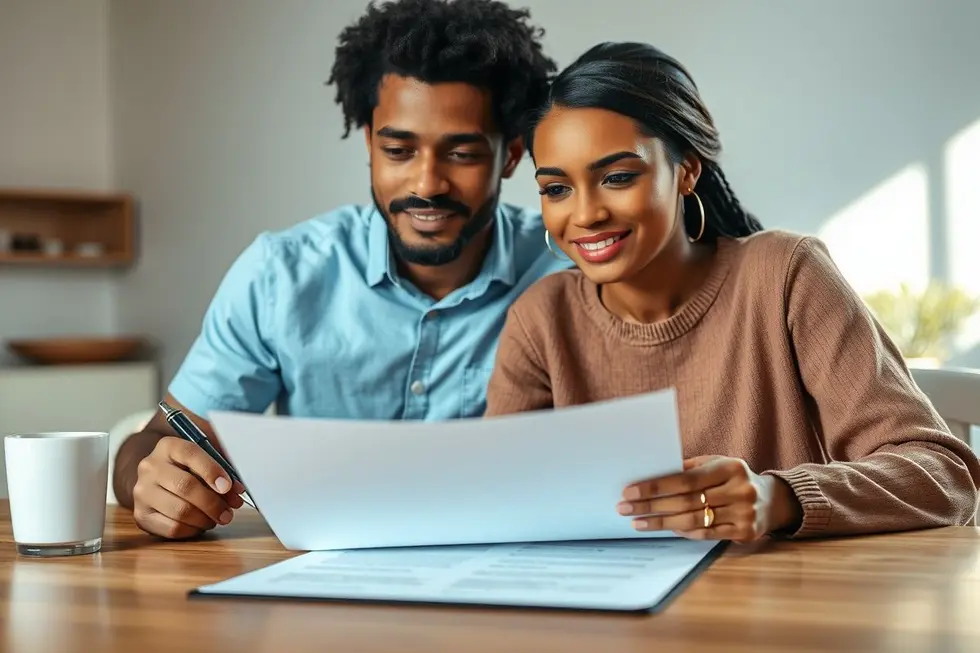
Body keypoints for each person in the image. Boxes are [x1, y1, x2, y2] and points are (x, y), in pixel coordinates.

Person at [484, 41, 980, 543]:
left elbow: (943, 477)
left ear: (686, 170)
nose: (586, 214)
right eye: (556, 189)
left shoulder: (785, 275)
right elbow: (489, 496)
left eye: (617, 177)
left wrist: (779, 497)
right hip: (614, 608)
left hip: (784, 605)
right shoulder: (540, 319)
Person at [113, 0, 570, 540]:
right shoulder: (280, 276)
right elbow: (148, 446)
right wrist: (151, 479)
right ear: (370, 147)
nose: (427, 184)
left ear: (511, 155)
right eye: (398, 150)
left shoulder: (570, 272)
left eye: (463, 154)